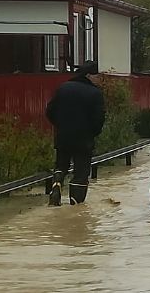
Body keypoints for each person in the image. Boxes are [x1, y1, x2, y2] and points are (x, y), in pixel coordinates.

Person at [45, 60, 105, 206]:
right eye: (97, 76)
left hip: (63, 136)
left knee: (61, 165)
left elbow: (50, 111)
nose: (99, 79)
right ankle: (75, 203)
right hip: (84, 139)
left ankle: (57, 184)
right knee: (81, 172)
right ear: (88, 76)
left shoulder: (63, 88)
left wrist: (60, 125)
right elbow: (99, 119)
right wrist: (92, 133)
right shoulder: (95, 93)